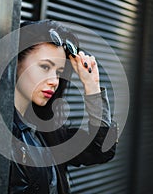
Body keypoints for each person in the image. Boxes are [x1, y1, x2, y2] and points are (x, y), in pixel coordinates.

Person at [8, 20, 117, 194]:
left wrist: (92, 86)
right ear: (16, 62)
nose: (54, 81)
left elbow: (102, 150)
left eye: (58, 72)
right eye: (45, 67)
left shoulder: (46, 131)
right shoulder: (1, 134)